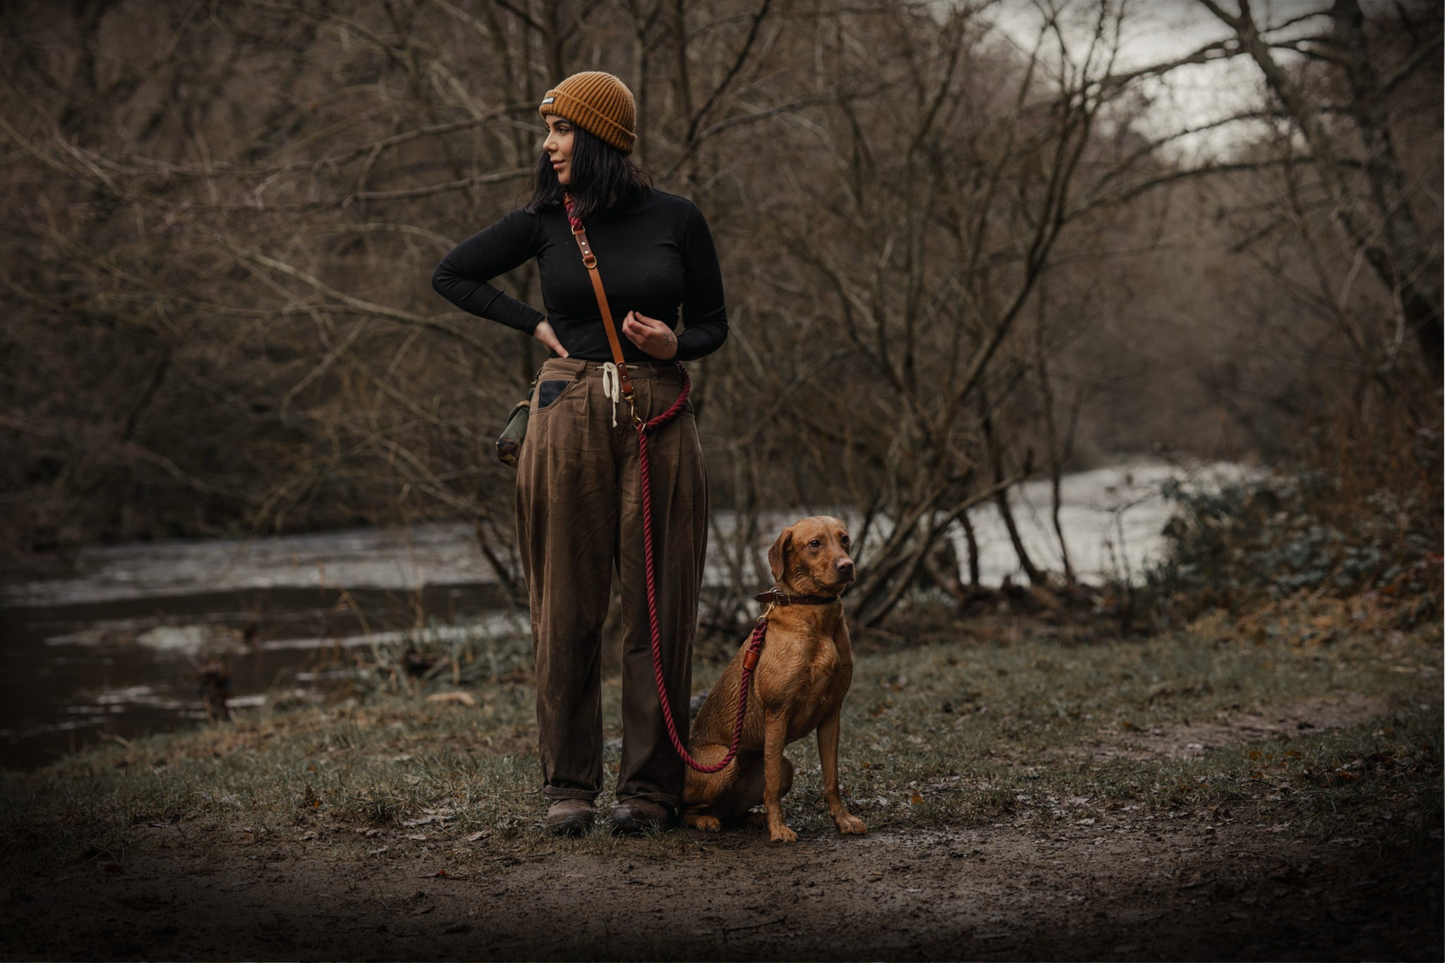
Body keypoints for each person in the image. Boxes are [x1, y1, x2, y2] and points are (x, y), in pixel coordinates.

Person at [431, 71, 727, 836]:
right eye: (548, 130)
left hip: (659, 411)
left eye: (561, 130)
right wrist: (532, 323)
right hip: (565, 417)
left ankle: (649, 789)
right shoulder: (542, 219)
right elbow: (452, 272)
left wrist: (674, 340)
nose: (548, 143)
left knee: (657, 611)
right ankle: (569, 786)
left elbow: (713, 323)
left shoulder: (678, 218)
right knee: (566, 606)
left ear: (599, 138)